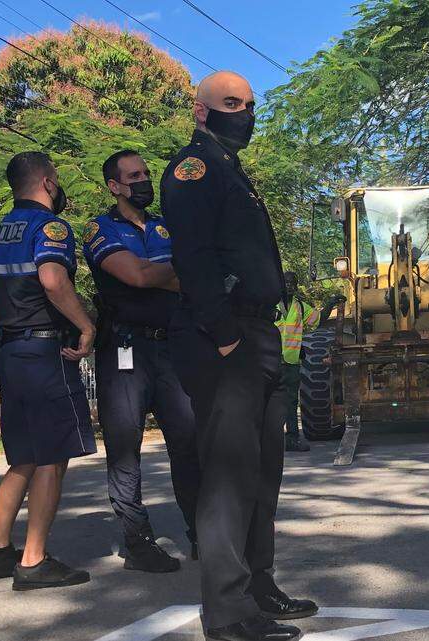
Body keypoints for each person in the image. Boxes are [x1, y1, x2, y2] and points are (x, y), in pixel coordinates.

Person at [161, 71, 317, 641]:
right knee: (227, 475)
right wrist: (224, 332)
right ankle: (227, 614)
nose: (244, 113)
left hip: (259, 336)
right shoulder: (193, 169)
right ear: (201, 111)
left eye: (250, 104)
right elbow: (193, 255)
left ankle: (259, 586)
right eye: (231, 103)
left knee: (262, 473)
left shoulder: (231, 170)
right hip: (224, 339)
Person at [0, 151, 97, 591]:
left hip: (12, 353)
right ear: (47, 182)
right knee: (52, 459)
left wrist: (3, 322)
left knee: (23, 457)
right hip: (45, 355)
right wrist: (85, 325)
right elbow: (54, 280)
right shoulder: (50, 228)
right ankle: (34, 560)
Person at [82, 149, 202, 573]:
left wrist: (161, 275)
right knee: (124, 449)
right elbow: (135, 276)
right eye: (134, 176)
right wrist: (172, 275)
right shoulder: (100, 228)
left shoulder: (165, 226)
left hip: (171, 348)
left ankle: (202, 534)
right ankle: (138, 542)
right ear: (114, 186)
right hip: (124, 350)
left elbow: (194, 277)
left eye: (146, 173)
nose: (144, 181)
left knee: (188, 443)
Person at [275, 272, 342, 453]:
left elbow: (318, 320)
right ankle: (270, 439)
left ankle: (292, 438)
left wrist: (330, 304)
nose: (289, 286)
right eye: (285, 282)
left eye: (292, 283)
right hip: (270, 361)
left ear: (296, 287)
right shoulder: (268, 305)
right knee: (269, 402)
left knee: (290, 402)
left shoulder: (300, 308)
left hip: (291, 363)